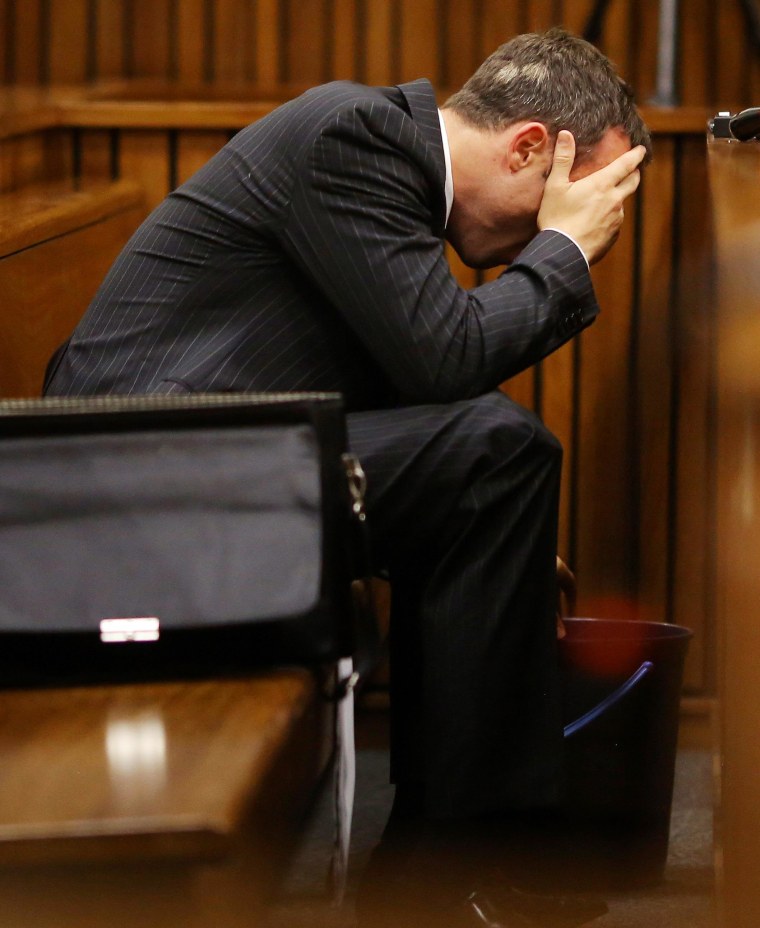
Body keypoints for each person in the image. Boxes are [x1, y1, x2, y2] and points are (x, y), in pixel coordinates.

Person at [45, 27, 651, 926]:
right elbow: (447, 361)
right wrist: (558, 255)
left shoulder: (382, 165)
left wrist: (509, 556)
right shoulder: (352, 138)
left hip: (209, 463)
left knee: (494, 458)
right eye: (578, 202)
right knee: (496, 449)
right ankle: (446, 872)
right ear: (529, 147)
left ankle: (457, 859)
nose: (582, 231)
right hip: (137, 484)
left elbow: (418, 382)